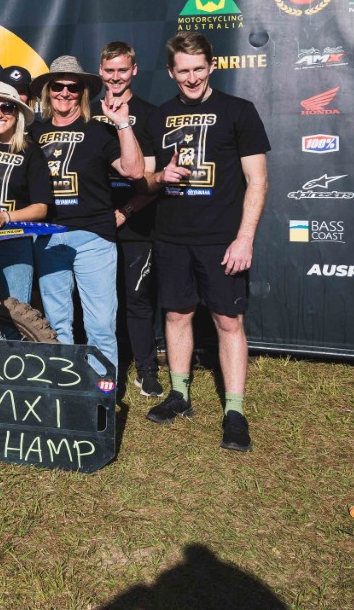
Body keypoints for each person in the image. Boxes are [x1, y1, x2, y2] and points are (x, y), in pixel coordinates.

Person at [143, 32, 269, 453]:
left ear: (212, 66)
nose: (192, 78)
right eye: (184, 71)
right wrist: (160, 177)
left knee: (228, 322)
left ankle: (234, 412)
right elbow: (146, 178)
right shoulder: (159, 116)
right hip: (171, 237)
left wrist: (244, 239)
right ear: (171, 71)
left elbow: (257, 180)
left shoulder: (239, 110)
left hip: (221, 240)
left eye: (199, 69)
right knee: (177, 314)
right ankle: (179, 394)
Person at [29, 55, 143, 385]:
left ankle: (101, 395)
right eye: (58, 86)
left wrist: (122, 124)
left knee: (101, 325)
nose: (64, 93)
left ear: (82, 92)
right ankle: (66, 392)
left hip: (93, 237)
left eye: (73, 87)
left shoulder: (99, 130)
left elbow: (134, 171)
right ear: (48, 91)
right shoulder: (33, 132)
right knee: (56, 323)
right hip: (48, 237)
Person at [91, 41, 163, 398]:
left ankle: (146, 370)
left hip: (134, 223)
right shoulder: (88, 113)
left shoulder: (149, 114)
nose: (116, 77)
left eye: (123, 70)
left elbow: (151, 181)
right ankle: (94, 366)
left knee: (137, 298)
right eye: (110, 70)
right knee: (95, 302)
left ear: (134, 70)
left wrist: (124, 212)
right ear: (100, 71)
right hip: (92, 225)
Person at [0, 82, 52, 309]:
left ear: (18, 112)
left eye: (6, 107)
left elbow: (41, 208)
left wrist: (4, 216)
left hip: (14, 242)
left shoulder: (31, 151)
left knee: (15, 314)